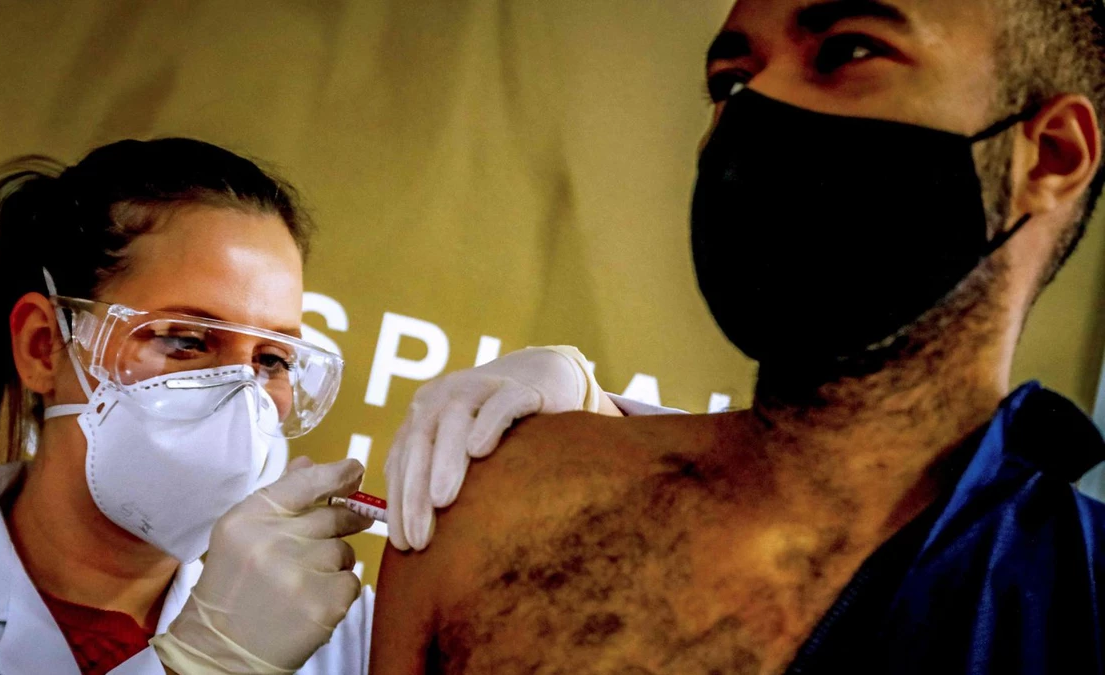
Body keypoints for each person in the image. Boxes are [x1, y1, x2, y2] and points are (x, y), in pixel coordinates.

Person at [370, 0, 1105, 673]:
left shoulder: (1082, 605)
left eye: (848, 50)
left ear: (1050, 153)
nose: (757, 105)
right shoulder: (501, 515)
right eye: (730, 82)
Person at [0, 138, 613, 675]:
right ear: (42, 347)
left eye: (271, 359)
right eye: (185, 340)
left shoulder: (343, 632)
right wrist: (201, 664)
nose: (242, 394)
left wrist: (597, 430)